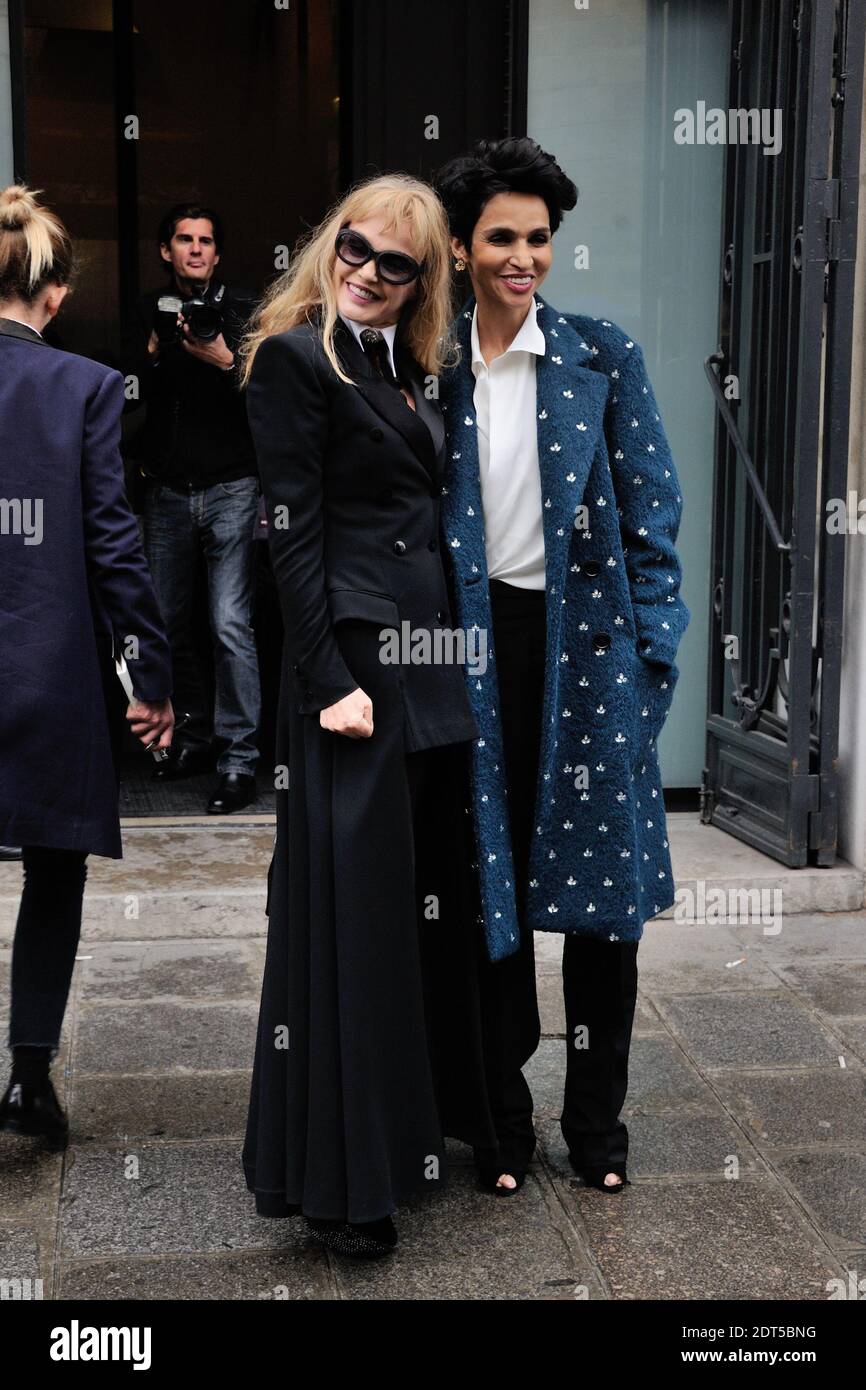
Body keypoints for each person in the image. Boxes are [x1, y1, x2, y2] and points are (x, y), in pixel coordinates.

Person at [238, 173, 497, 1258]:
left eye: (397, 264)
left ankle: (403, 1148)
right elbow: (289, 535)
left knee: (406, 917)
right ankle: (344, 1190)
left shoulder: (413, 370)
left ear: (422, 278)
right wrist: (322, 681)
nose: (369, 274)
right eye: (356, 248)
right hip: (351, 674)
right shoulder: (297, 359)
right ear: (328, 242)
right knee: (348, 926)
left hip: (421, 677)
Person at [434, 138, 690, 1194]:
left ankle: (597, 1130)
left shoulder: (600, 355)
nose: (523, 256)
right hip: (467, 651)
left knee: (601, 909)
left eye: (538, 238)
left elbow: (652, 524)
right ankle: (499, 1127)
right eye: (501, 237)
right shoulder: (428, 362)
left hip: (583, 652)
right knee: (483, 890)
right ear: (458, 246)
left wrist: (648, 662)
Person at [0, 185, 174, 1145]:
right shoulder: (87, 388)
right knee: (54, 871)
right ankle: (29, 1076)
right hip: (49, 666)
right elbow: (114, 545)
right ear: (57, 295)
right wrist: (149, 677)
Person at [132, 203, 261, 813]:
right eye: (183, 240)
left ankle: (239, 760)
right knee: (167, 621)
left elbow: (272, 399)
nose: (195, 250)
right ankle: (193, 737)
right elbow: (131, 394)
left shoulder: (245, 312)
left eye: (206, 241)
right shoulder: (146, 311)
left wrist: (225, 357)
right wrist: (157, 355)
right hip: (165, 490)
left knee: (229, 624)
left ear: (217, 253)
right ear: (167, 251)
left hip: (232, 488)